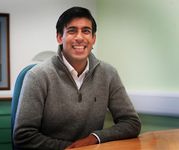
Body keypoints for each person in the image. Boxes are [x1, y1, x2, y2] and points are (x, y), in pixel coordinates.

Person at [13, 6, 141, 150]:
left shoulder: (108, 73)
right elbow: (23, 137)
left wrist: (94, 138)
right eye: (72, 31)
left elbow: (131, 123)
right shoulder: (37, 76)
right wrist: (74, 148)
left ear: (93, 39)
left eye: (86, 31)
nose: (80, 38)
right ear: (60, 37)